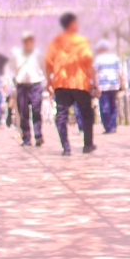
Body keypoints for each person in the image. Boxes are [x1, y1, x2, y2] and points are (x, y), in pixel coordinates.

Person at [45, 13, 97, 155]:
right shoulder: (81, 41)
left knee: (61, 115)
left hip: (61, 84)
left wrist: (49, 82)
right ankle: (88, 145)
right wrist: (95, 84)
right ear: (73, 24)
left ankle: (66, 147)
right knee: (87, 114)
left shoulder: (55, 42)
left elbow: (48, 64)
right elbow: (89, 64)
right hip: (80, 83)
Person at [10, 32, 47, 147]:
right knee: (23, 113)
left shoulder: (38, 54)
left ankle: (38, 136)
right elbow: (12, 70)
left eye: (30, 40)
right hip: (22, 86)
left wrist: (45, 84)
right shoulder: (17, 55)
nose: (28, 43)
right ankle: (26, 138)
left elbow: (44, 68)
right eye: (26, 40)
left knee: (36, 111)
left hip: (35, 85)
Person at [94, 37, 123, 135]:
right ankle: (113, 125)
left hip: (103, 85)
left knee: (104, 106)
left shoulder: (98, 59)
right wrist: (122, 85)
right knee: (113, 105)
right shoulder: (115, 58)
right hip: (114, 84)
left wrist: (94, 85)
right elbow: (120, 72)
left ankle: (109, 127)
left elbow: (94, 72)